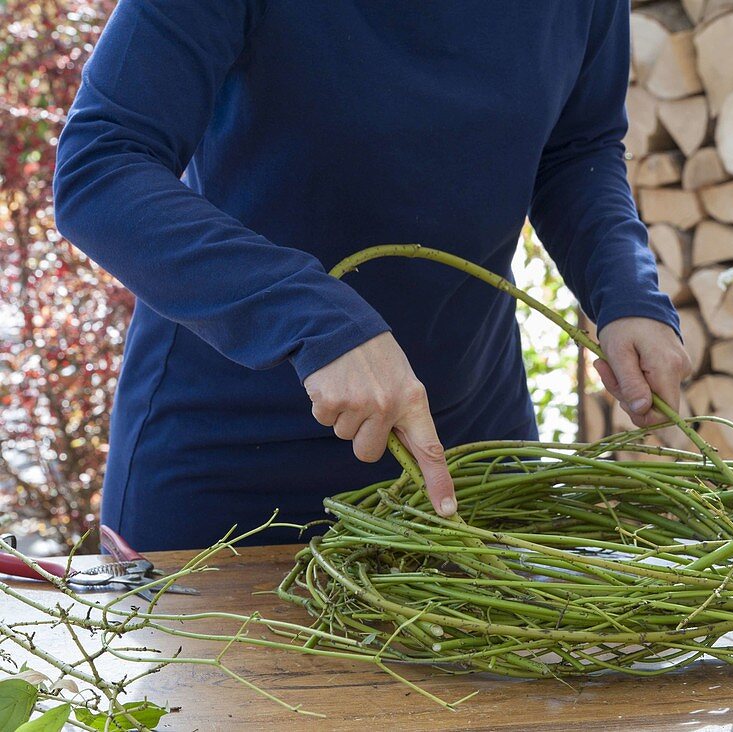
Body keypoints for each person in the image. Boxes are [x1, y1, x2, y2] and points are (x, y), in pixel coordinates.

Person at [53, 1, 691, 551]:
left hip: (471, 458)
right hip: (227, 473)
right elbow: (101, 167)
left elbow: (577, 148)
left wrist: (625, 289)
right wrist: (314, 319)